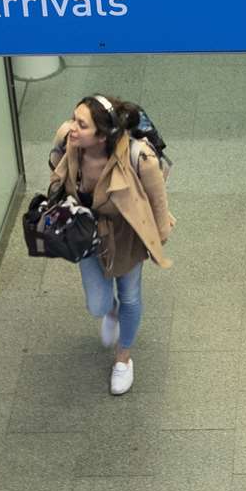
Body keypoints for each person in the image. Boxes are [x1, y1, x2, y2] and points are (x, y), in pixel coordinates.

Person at [50, 95, 174, 394]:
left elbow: (158, 200)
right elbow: (56, 170)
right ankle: (111, 311)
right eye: (74, 119)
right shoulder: (68, 140)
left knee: (130, 296)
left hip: (127, 233)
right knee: (98, 304)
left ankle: (123, 359)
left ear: (103, 135)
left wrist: (158, 234)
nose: (73, 128)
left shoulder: (138, 156)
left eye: (82, 124)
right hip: (86, 232)